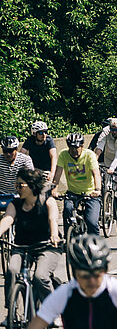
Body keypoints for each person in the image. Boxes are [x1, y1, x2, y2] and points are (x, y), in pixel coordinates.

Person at [0, 169, 64, 310]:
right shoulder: (15, 204)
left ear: (31, 185)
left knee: (40, 276)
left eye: (20, 185)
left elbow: (52, 219)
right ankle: (12, 310)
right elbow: (7, 219)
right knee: (12, 270)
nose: (17, 189)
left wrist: (54, 234)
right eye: (16, 185)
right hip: (22, 247)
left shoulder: (48, 201)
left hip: (47, 246)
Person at [56, 132, 103, 235]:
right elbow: (57, 174)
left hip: (90, 194)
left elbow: (96, 174)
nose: (74, 150)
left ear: (82, 146)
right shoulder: (63, 155)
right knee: (67, 212)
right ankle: (68, 241)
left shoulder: (89, 155)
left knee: (92, 222)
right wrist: (54, 190)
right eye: (71, 147)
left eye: (77, 147)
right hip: (72, 193)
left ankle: (95, 245)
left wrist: (97, 189)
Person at [24, 121, 58, 191]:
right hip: (34, 169)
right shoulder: (30, 140)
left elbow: (53, 157)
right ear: (34, 133)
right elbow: (21, 154)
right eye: (40, 132)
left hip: (46, 171)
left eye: (45, 132)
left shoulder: (49, 140)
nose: (44, 134)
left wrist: (52, 173)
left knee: (46, 191)